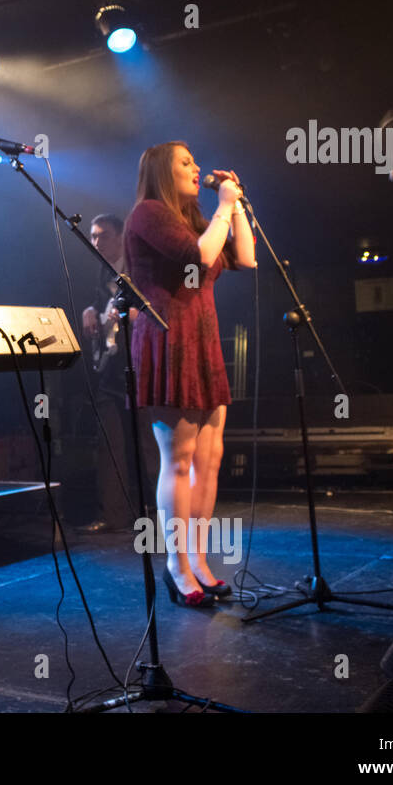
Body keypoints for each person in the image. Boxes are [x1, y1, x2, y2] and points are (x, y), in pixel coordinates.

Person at [122, 142, 255, 606]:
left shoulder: (193, 218)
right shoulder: (149, 213)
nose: (197, 168)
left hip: (204, 341)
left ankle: (198, 560)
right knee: (178, 460)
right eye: (186, 162)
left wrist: (234, 209)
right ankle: (177, 567)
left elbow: (247, 257)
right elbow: (198, 259)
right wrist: (223, 207)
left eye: (196, 162)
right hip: (169, 339)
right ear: (162, 170)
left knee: (209, 460)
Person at [77, 214, 137, 533]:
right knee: (108, 444)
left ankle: (157, 517)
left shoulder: (139, 266)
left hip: (140, 367)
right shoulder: (103, 271)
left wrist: (135, 314)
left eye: (103, 235)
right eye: (93, 236)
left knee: (147, 446)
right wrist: (90, 310)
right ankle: (113, 515)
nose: (96, 242)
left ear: (120, 236)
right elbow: (101, 307)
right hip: (111, 370)